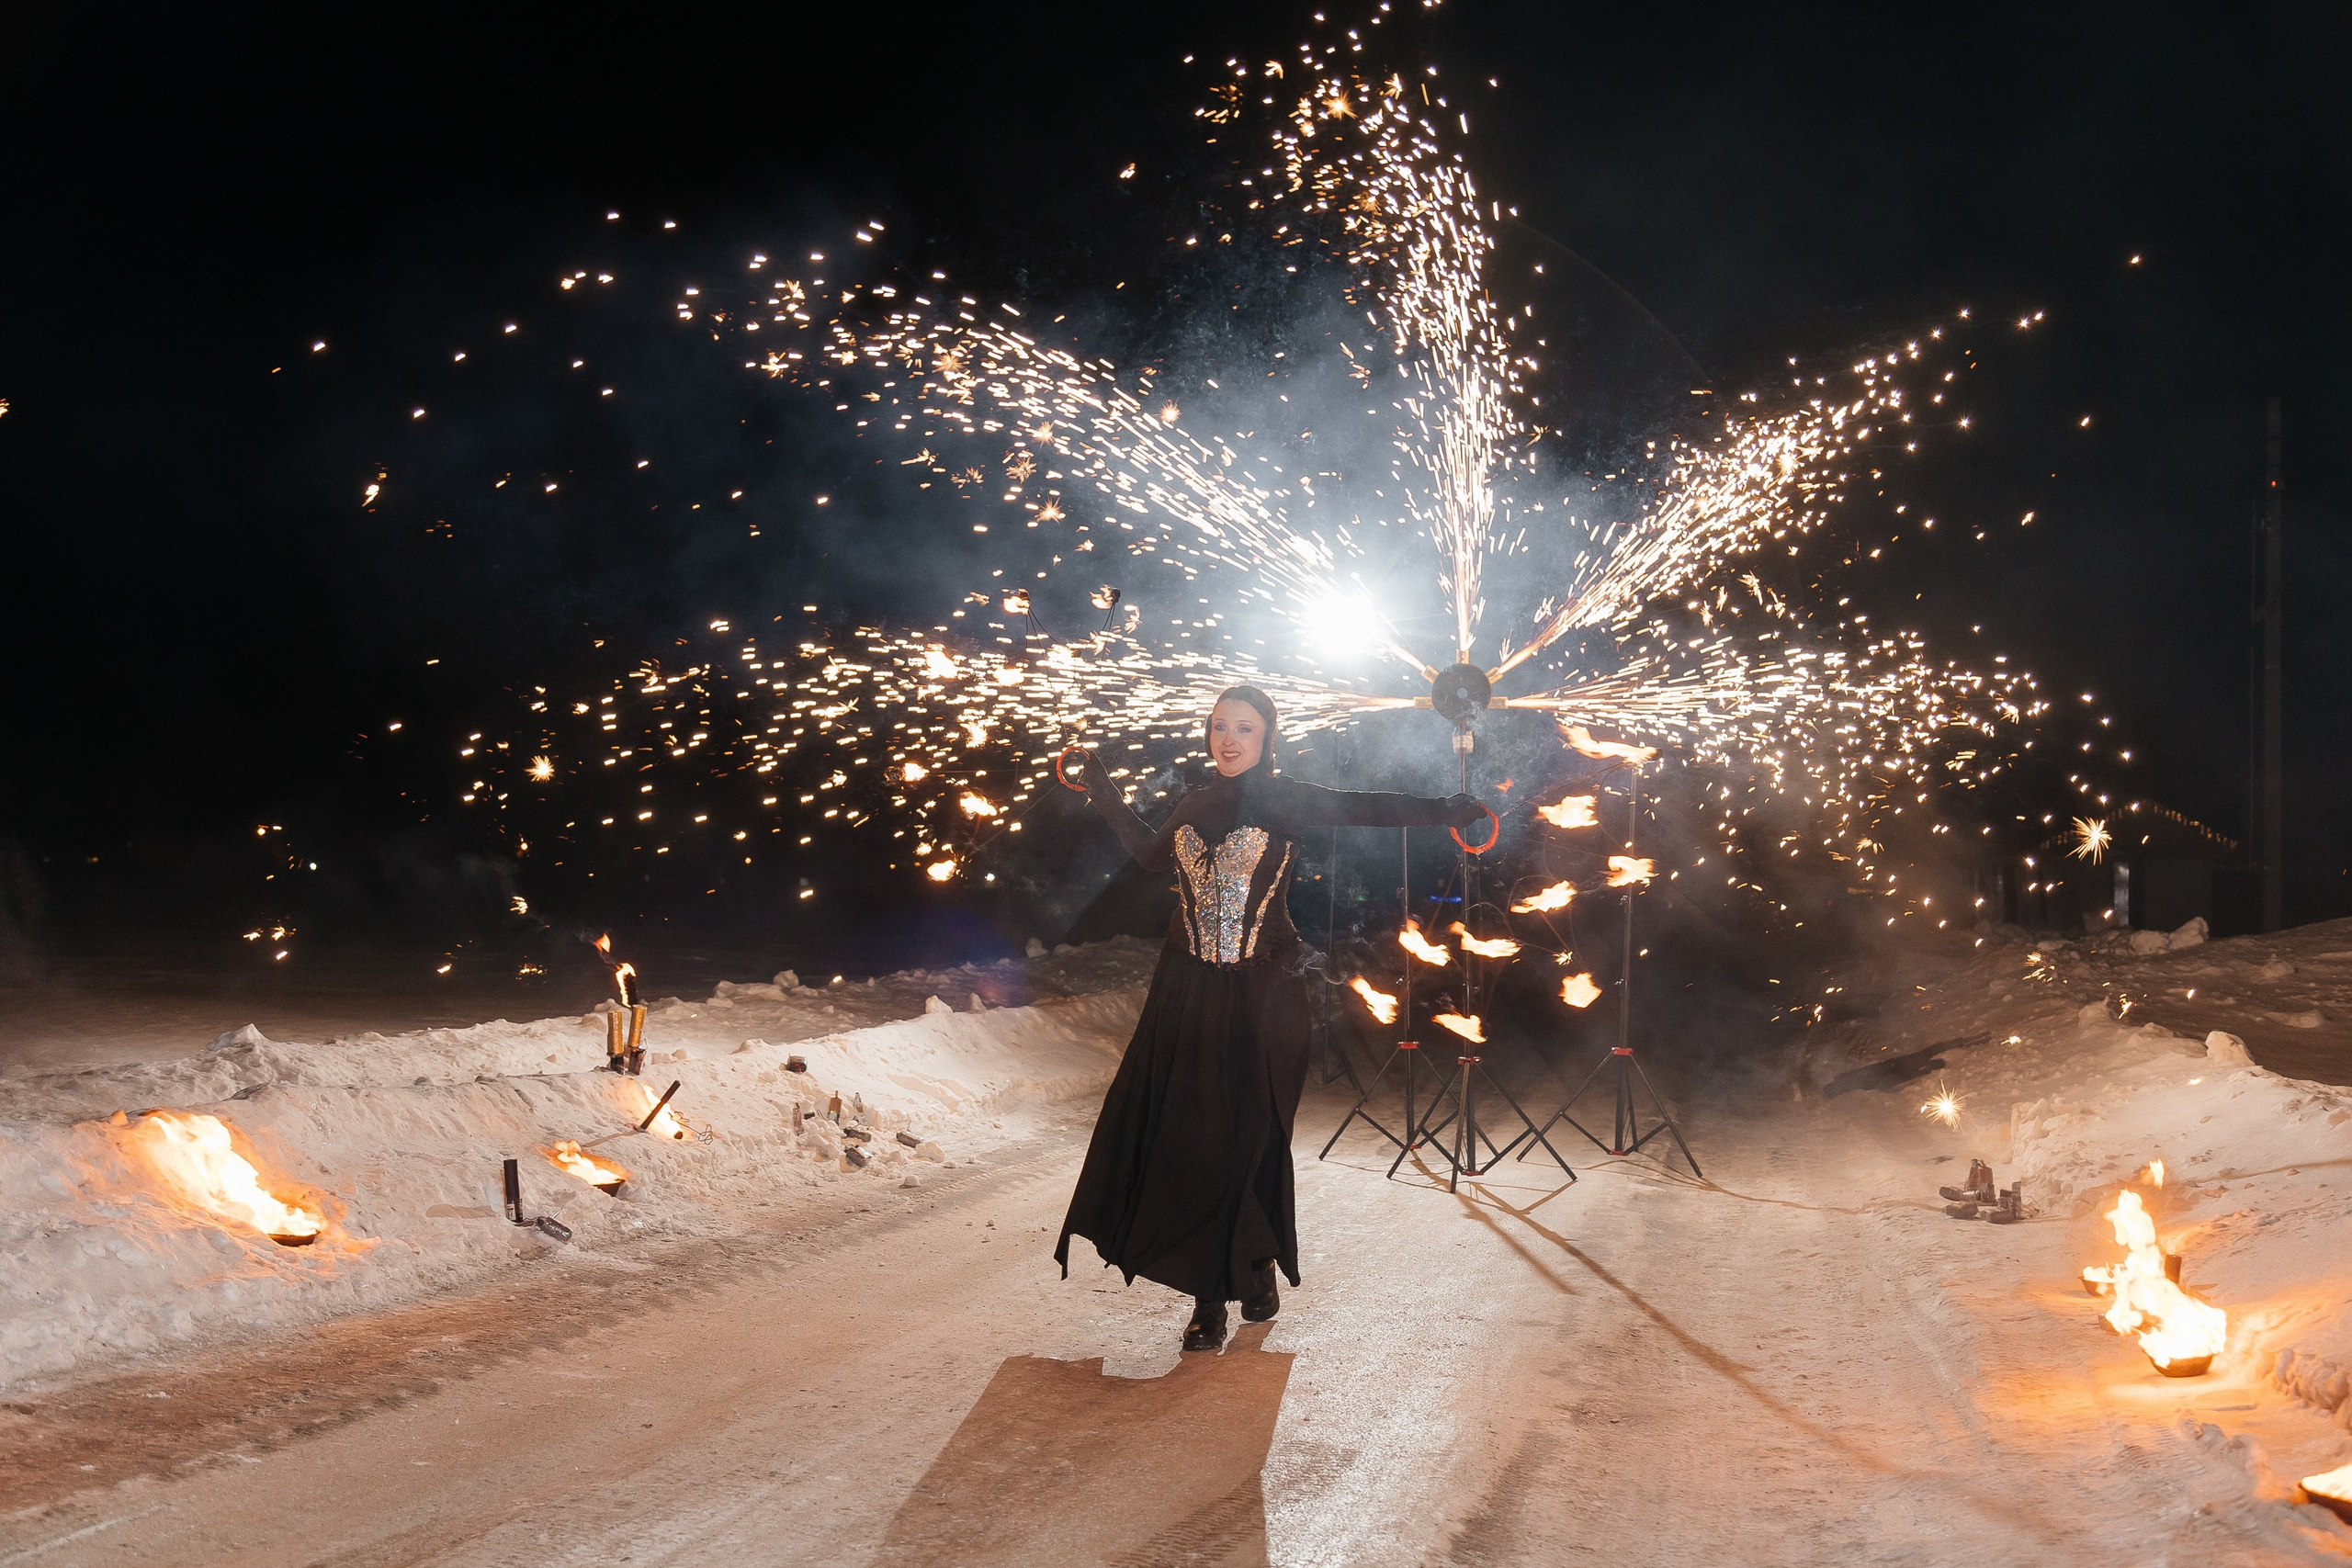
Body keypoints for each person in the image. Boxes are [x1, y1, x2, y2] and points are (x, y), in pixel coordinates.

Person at [1054, 684, 1487, 1350]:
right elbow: (1146, 853)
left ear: (1267, 737)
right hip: (1190, 989)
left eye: (1245, 728)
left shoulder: (1288, 798)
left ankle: (1253, 1266)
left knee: (1249, 1138)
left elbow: (1367, 808)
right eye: (1220, 725)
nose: (1229, 739)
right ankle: (1212, 1299)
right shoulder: (1196, 803)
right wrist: (1103, 786)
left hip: (1266, 994)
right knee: (1196, 1141)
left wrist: (1445, 810)